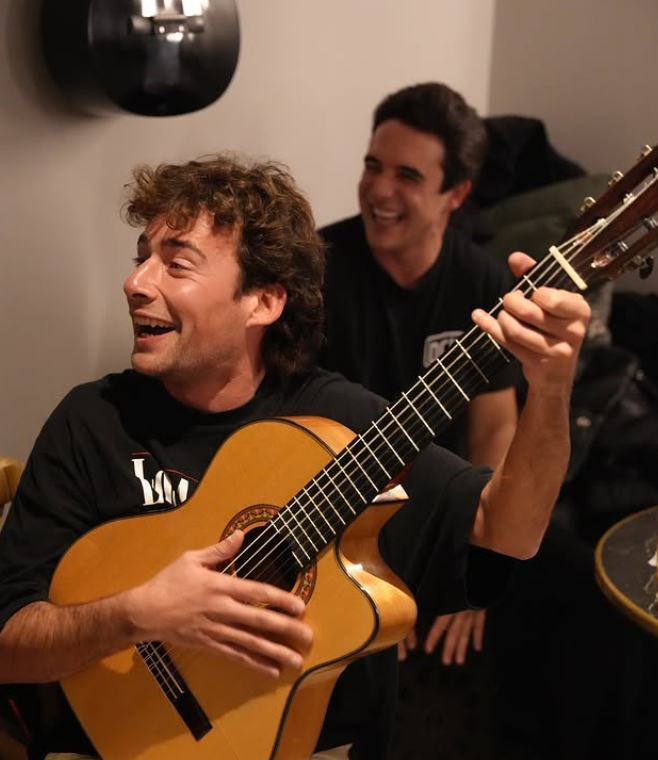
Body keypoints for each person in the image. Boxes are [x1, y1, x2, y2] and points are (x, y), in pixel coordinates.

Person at [0, 153, 589, 760]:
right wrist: (136, 614)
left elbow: (506, 531)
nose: (137, 283)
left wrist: (549, 389)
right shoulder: (93, 422)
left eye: (176, 264)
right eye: (141, 258)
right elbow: (7, 641)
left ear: (263, 302)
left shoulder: (339, 428)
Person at [318, 82, 520, 666]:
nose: (379, 189)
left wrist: (475, 571)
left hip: (439, 513)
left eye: (406, 175)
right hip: (333, 516)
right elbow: (289, 434)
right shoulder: (316, 268)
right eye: (372, 166)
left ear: (455, 194)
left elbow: (495, 430)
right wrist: (367, 574)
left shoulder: (483, 281)